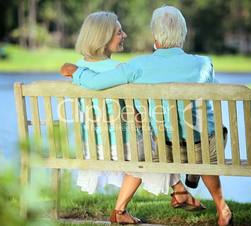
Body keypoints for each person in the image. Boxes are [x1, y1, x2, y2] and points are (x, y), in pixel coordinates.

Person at [61, 6, 233, 226]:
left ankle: (186, 181)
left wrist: (76, 71)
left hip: (163, 146)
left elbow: (95, 83)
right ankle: (220, 206)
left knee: (171, 137)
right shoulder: (203, 63)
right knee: (205, 138)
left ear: (154, 36)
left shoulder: (138, 66)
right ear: (183, 34)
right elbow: (213, 95)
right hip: (201, 146)